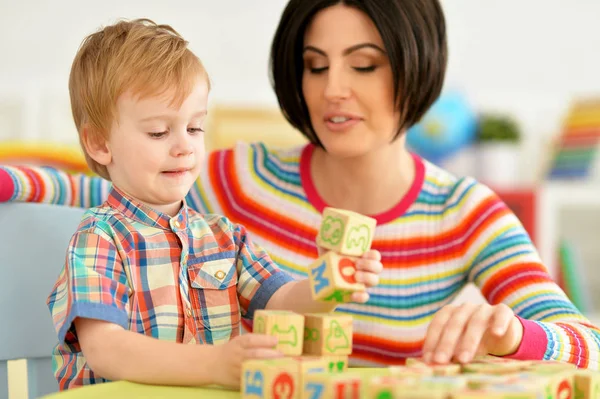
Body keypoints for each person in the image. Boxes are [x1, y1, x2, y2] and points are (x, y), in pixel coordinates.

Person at [1, 0, 598, 370]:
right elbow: (104, 191)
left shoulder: (467, 213)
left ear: (418, 64)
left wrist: (515, 334)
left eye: (363, 64)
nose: (332, 87)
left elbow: (587, 342)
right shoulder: (243, 178)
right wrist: (11, 180)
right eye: (315, 65)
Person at [42, 18, 382, 391]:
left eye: (194, 128)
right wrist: (214, 364)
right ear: (99, 144)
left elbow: (282, 301)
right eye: (158, 131)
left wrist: (330, 283)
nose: (184, 146)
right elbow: (106, 348)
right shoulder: (99, 238)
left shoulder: (224, 238)